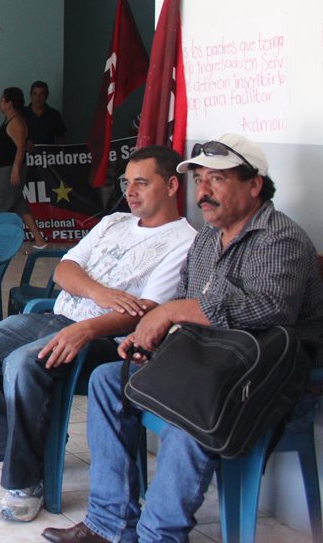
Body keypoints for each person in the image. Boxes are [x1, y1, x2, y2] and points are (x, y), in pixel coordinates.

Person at [42, 134, 323, 543]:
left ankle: (161, 535)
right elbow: (189, 304)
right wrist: (154, 339)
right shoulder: (208, 238)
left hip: (267, 374)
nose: (204, 193)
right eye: (200, 181)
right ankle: (110, 524)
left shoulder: (279, 239)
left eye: (217, 180)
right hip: (209, 361)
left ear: (254, 185)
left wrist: (169, 314)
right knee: (107, 380)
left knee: (189, 403)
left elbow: (268, 311)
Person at [0, 146, 196, 523]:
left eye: (142, 183)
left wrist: (88, 325)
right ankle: (33, 447)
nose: (130, 192)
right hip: (59, 316)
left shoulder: (184, 241)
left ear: (172, 185)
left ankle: (26, 480)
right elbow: (64, 270)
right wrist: (99, 293)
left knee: (22, 363)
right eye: (127, 182)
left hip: (107, 341)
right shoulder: (113, 221)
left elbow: (145, 312)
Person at [0, 86, 48, 247]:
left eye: (2, 100)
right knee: (19, 204)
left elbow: (21, 146)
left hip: (8, 171)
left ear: (9, 104)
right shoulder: (9, 121)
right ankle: (39, 239)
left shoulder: (16, 122)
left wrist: (15, 170)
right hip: (5, 170)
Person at [22, 80, 67, 145]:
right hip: (25, 153)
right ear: (31, 95)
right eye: (35, 94)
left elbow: (61, 134)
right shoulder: (22, 113)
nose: (38, 98)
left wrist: (60, 145)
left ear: (47, 96)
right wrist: (24, 142)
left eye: (41, 94)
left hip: (48, 153)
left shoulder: (54, 114)